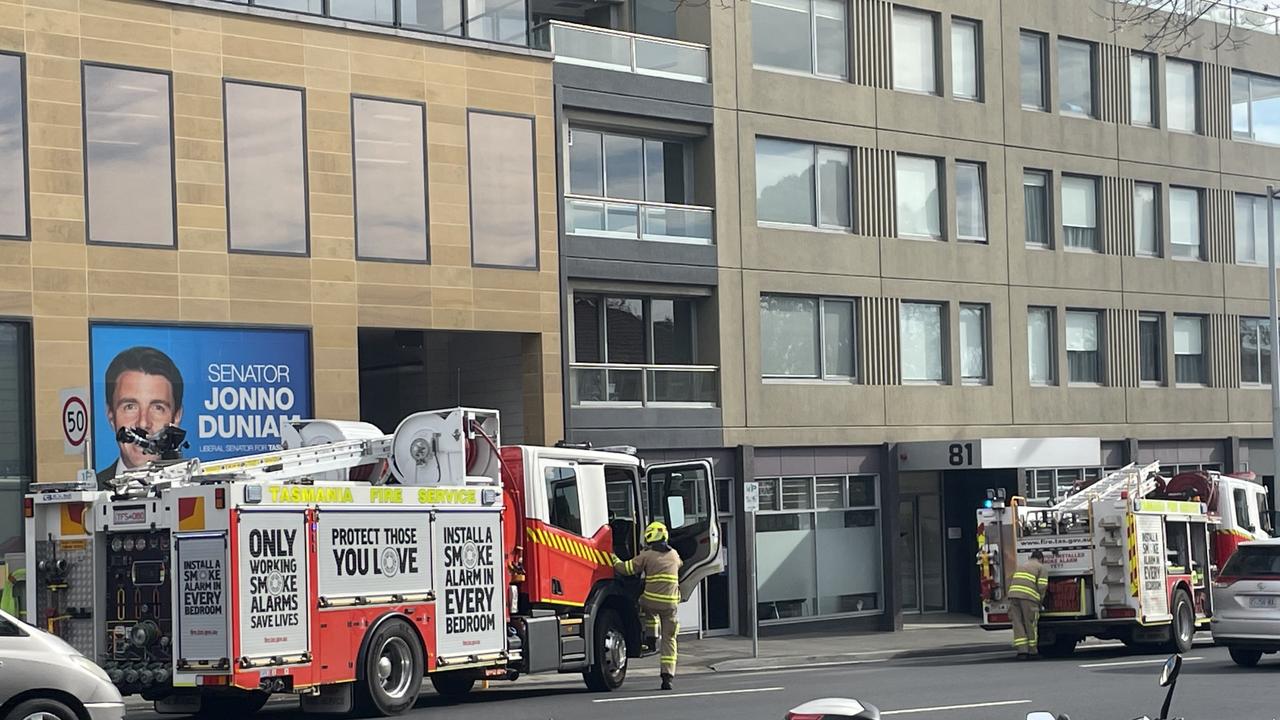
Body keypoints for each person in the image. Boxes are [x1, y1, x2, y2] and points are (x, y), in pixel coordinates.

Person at [97, 346, 184, 488]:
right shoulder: (91, 493)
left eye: (157, 408)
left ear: (176, 417)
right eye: (130, 407)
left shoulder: (197, 489)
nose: (143, 423)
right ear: (111, 416)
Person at [613, 521, 682, 690]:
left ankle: (651, 638)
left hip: (650, 602)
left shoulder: (647, 555)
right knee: (670, 640)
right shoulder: (674, 555)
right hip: (671, 605)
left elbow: (627, 569)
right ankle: (667, 677)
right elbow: (680, 564)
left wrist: (612, 557)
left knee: (645, 609)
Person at [1008, 549, 1050, 659]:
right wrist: (1040, 601)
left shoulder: (1022, 566)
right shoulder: (1041, 567)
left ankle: (1022, 652)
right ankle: (1032, 651)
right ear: (1041, 559)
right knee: (1030, 623)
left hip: (1013, 596)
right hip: (1028, 598)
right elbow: (1042, 586)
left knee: (1018, 623)